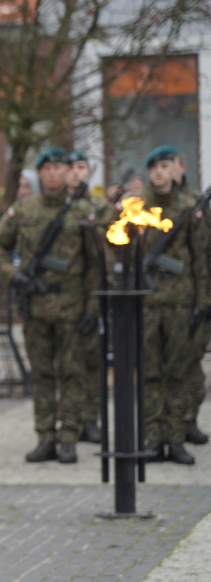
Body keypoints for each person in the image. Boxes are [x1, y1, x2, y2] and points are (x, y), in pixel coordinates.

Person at [0, 147, 99, 464]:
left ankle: (69, 437)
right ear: (39, 173)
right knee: (41, 376)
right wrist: (15, 276)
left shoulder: (83, 212)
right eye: (47, 168)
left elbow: (95, 266)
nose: (53, 173)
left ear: (68, 173)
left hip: (72, 306)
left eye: (59, 168)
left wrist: (92, 309)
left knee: (72, 373)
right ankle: (45, 437)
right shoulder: (23, 210)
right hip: (35, 306)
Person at [139, 145, 210, 465]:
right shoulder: (137, 208)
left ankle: (177, 437)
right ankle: (154, 438)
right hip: (148, 304)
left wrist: (203, 303)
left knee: (180, 372)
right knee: (150, 372)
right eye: (153, 167)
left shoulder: (189, 208)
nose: (159, 172)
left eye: (165, 166)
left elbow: (201, 259)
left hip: (182, 303)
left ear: (174, 170)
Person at [65, 150, 109, 444]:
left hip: (91, 295)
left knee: (92, 362)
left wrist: (95, 307)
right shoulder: (56, 206)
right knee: (68, 364)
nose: (76, 172)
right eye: (70, 167)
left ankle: (90, 419)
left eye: (81, 167)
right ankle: (70, 419)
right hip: (62, 300)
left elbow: (103, 258)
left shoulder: (99, 207)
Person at [170, 152, 210, 446]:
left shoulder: (197, 203)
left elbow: (203, 255)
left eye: (171, 164)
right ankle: (167, 428)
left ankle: (188, 420)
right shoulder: (149, 205)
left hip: (197, 295)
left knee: (193, 363)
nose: (166, 171)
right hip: (166, 300)